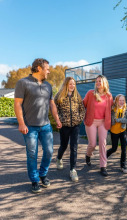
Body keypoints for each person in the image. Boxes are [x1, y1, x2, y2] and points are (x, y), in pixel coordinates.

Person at [14, 58, 62, 193]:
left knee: (49, 151)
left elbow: (52, 104)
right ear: (39, 68)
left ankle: (43, 173)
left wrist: (57, 119)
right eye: (47, 68)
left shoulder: (48, 85)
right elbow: (17, 104)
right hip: (30, 127)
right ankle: (35, 180)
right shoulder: (23, 83)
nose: (49, 71)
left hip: (46, 125)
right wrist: (21, 123)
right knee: (32, 154)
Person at [54, 77, 85, 182]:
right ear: (66, 84)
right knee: (63, 145)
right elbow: (54, 110)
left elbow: (82, 109)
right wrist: (59, 120)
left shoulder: (77, 96)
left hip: (75, 125)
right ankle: (59, 158)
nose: (72, 86)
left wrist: (79, 119)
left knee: (74, 147)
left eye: (74, 84)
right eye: (70, 84)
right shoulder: (59, 96)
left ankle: (72, 170)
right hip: (64, 126)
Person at [83, 75, 113, 176]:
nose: (98, 83)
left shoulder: (109, 96)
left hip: (103, 122)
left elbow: (112, 109)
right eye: (96, 81)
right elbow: (83, 105)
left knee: (103, 143)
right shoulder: (91, 93)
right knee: (92, 144)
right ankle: (88, 154)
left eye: (100, 81)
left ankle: (103, 166)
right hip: (91, 121)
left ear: (104, 83)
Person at [107, 94, 127, 174]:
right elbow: (110, 120)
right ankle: (104, 158)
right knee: (114, 148)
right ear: (116, 101)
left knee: (124, 149)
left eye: (123, 100)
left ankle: (123, 166)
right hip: (114, 131)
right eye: (120, 100)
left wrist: (119, 120)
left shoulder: (126, 109)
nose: (121, 102)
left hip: (123, 131)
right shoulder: (112, 109)